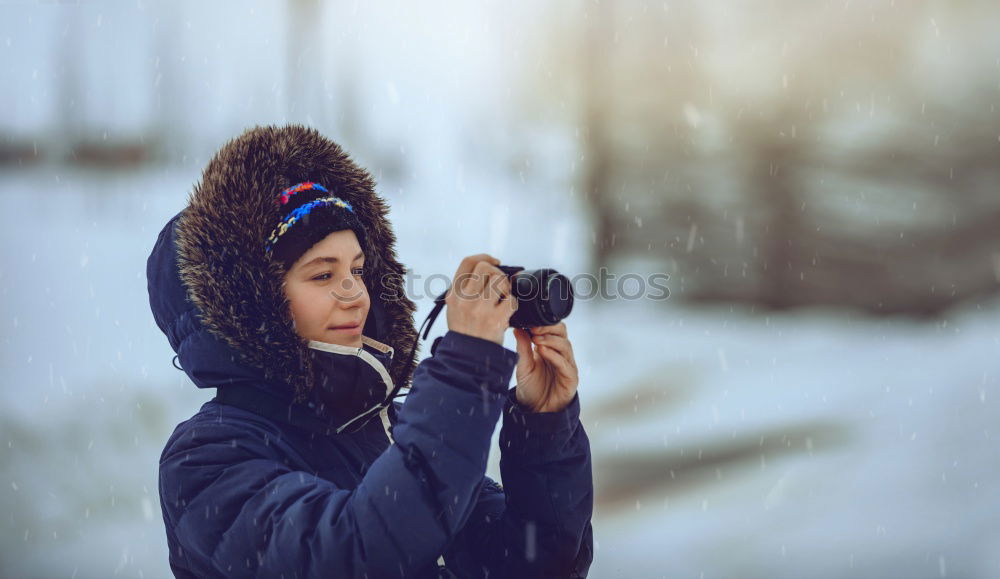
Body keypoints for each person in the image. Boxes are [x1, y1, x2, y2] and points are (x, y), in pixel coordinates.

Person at [147, 124, 594, 578]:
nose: (356, 295)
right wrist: (463, 370)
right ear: (254, 302)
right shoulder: (206, 458)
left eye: (358, 271)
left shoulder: (389, 429)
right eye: (323, 275)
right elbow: (357, 556)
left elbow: (531, 565)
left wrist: (544, 430)